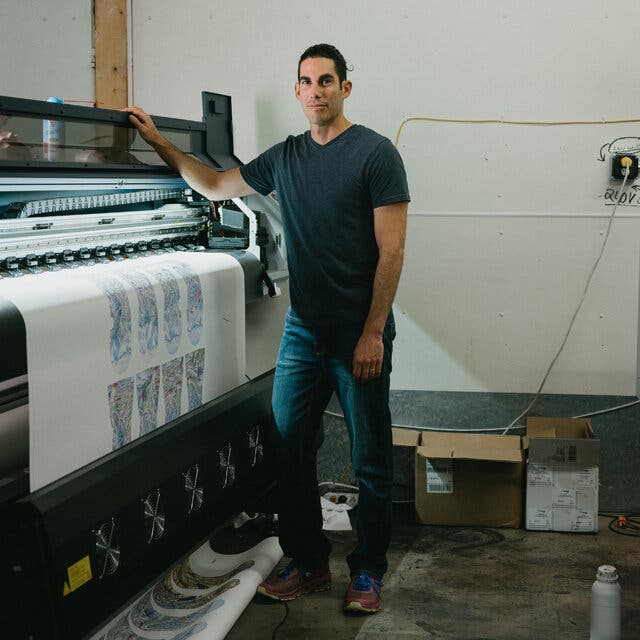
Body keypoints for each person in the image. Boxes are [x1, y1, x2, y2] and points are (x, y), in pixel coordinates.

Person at [125, 43, 409, 614]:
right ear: (297, 92)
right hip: (304, 333)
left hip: (360, 333)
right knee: (288, 449)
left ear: (345, 89)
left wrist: (374, 330)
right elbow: (211, 185)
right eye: (306, 81)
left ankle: (368, 573)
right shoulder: (284, 158)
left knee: (371, 461)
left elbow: (393, 248)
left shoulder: (376, 155)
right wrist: (158, 143)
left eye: (327, 80)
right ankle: (308, 563)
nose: (316, 90)